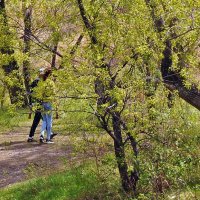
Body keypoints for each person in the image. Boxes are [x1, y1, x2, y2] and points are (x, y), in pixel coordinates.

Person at [27, 68, 57, 142]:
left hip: (40, 103)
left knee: (43, 120)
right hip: (42, 103)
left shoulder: (38, 81)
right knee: (41, 120)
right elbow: (53, 94)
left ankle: (45, 135)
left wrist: (31, 104)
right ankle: (39, 136)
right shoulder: (41, 82)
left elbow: (31, 93)